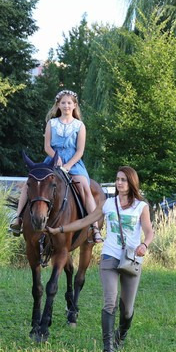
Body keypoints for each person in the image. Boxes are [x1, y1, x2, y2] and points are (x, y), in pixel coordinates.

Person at [50, 166, 154, 352]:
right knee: (109, 302)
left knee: (127, 310)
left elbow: (149, 231)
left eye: (123, 180)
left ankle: (121, 334)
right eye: (118, 179)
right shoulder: (108, 204)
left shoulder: (141, 206)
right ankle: (108, 350)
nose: (119, 183)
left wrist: (144, 244)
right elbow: (85, 221)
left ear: (131, 182)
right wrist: (60, 229)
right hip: (109, 257)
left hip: (131, 259)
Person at [11, 89, 102, 242]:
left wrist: (68, 165)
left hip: (73, 162)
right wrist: (56, 158)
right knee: (30, 183)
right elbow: (47, 146)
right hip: (52, 161)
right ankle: (18, 219)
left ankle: (94, 227)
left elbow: (80, 151)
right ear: (58, 105)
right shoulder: (51, 124)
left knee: (84, 187)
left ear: (74, 105)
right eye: (63, 103)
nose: (66, 106)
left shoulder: (80, 126)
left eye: (69, 103)